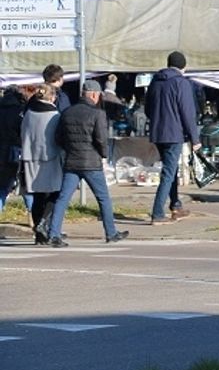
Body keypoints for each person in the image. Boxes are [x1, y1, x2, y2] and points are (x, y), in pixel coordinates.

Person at [47, 80, 128, 246]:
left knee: (63, 199)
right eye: (98, 95)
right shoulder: (97, 114)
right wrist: (104, 154)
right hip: (91, 163)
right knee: (103, 198)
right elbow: (101, 139)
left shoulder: (67, 112)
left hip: (72, 162)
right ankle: (111, 232)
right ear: (93, 94)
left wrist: (70, 149)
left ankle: (53, 233)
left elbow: (58, 138)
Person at [145, 51, 199, 225]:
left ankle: (176, 205)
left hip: (158, 133)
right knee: (168, 173)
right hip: (174, 133)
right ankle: (157, 213)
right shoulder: (181, 83)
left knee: (171, 170)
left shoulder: (155, 81)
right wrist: (195, 138)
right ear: (184, 66)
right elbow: (187, 112)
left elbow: (147, 109)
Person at [20, 84, 63, 244]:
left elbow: (23, 132)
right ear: (51, 97)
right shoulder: (54, 114)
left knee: (37, 195)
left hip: (30, 157)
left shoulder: (29, 113)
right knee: (54, 193)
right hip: (50, 157)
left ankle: (39, 236)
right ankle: (43, 223)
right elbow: (58, 136)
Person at [0, 84, 31, 212]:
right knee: (26, 186)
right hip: (16, 151)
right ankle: (35, 218)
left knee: (2, 187)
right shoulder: (20, 111)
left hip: (1, 150)